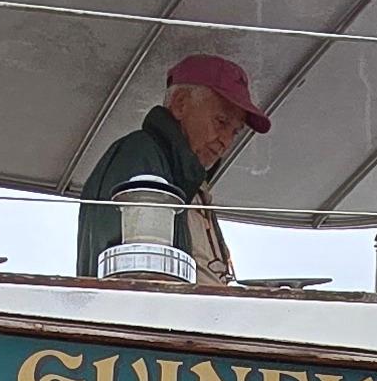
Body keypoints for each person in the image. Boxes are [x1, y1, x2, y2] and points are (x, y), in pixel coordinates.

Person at [75, 53, 272, 281]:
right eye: (221, 122)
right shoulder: (141, 156)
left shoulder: (185, 178)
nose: (226, 141)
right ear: (180, 104)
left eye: (235, 132)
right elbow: (141, 281)